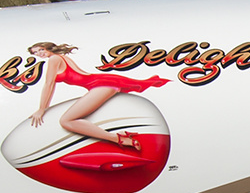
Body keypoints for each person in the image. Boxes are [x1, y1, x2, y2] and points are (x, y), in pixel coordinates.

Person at [24, 42, 169, 154]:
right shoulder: (59, 58)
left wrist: (42, 109)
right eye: (36, 53)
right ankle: (122, 137)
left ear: (47, 47)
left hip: (101, 84)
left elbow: (49, 84)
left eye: (41, 50)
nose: (39, 54)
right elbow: (52, 84)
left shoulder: (54, 59)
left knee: (66, 121)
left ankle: (120, 139)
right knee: (68, 120)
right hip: (99, 83)